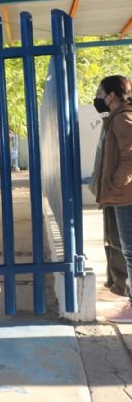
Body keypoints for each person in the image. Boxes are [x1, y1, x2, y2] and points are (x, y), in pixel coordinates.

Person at [94, 75, 132, 322]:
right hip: (121, 195)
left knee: (130, 251)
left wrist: (115, 183)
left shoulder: (123, 118)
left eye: (100, 93)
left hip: (126, 196)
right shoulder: (119, 117)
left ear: (113, 95)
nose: (97, 98)